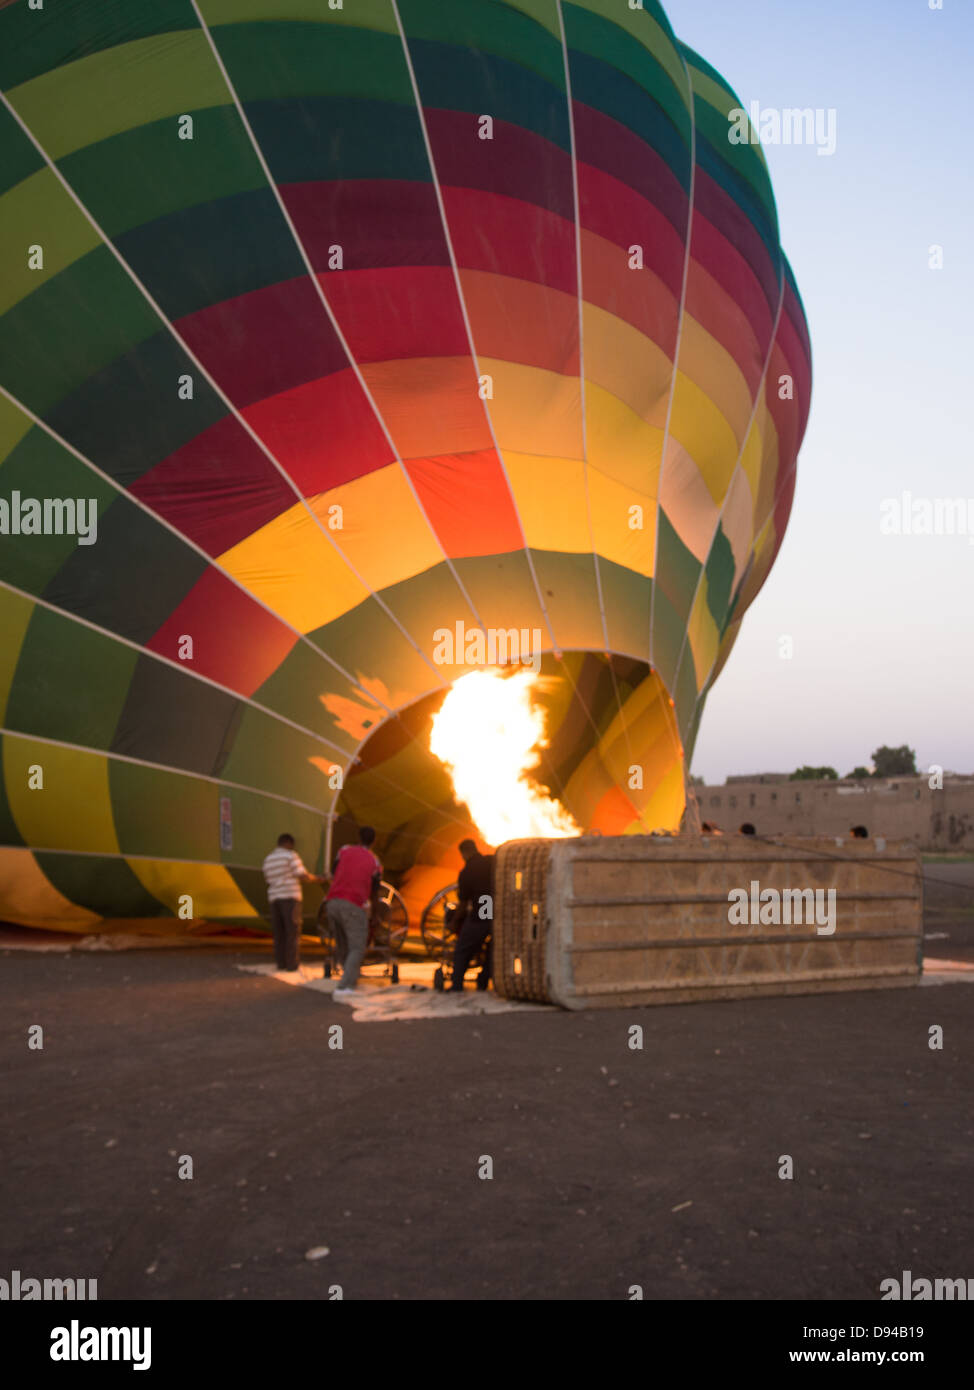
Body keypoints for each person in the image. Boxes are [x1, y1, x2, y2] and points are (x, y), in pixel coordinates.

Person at [325, 826, 382, 997]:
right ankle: (345, 987)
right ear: (374, 841)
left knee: (342, 944)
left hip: (332, 902)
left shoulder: (344, 850)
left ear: (358, 837)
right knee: (357, 947)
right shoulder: (375, 862)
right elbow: (375, 892)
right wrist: (375, 915)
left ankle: (349, 977)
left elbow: (335, 872)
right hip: (353, 904)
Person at [262, 833, 325, 972]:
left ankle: (281, 963)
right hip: (290, 897)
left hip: (274, 898)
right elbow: (302, 875)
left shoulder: (268, 859)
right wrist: (318, 879)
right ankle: (292, 964)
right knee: (292, 931)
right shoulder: (290, 856)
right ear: (289, 844)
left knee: (279, 932)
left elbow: (267, 878)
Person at [449, 839, 495, 993]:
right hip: (498, 911)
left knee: (463, 948)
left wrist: (455, 921)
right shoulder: (491, 862)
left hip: (483, 909)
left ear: (464, 853)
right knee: (492, 949)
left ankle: (457, 984)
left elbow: (463, 903)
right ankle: (483, 979)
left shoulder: (467, 872)